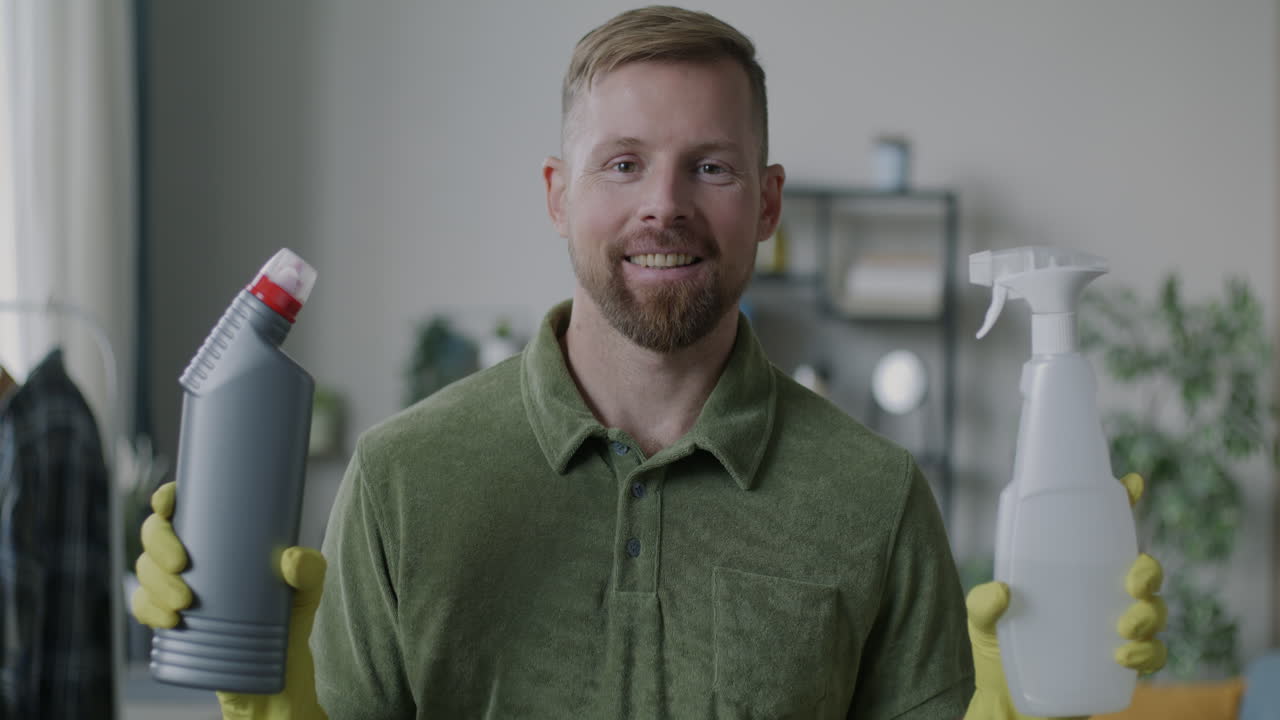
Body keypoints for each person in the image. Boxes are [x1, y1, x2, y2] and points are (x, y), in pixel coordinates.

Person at [132, 6, 1166, 719]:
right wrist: (264, 690)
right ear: (555, 193)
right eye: (620, 164)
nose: (661, 204)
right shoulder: (402, 479)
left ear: (764, 202)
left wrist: (1041, 694)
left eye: (707, 167)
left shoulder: (875, 498)